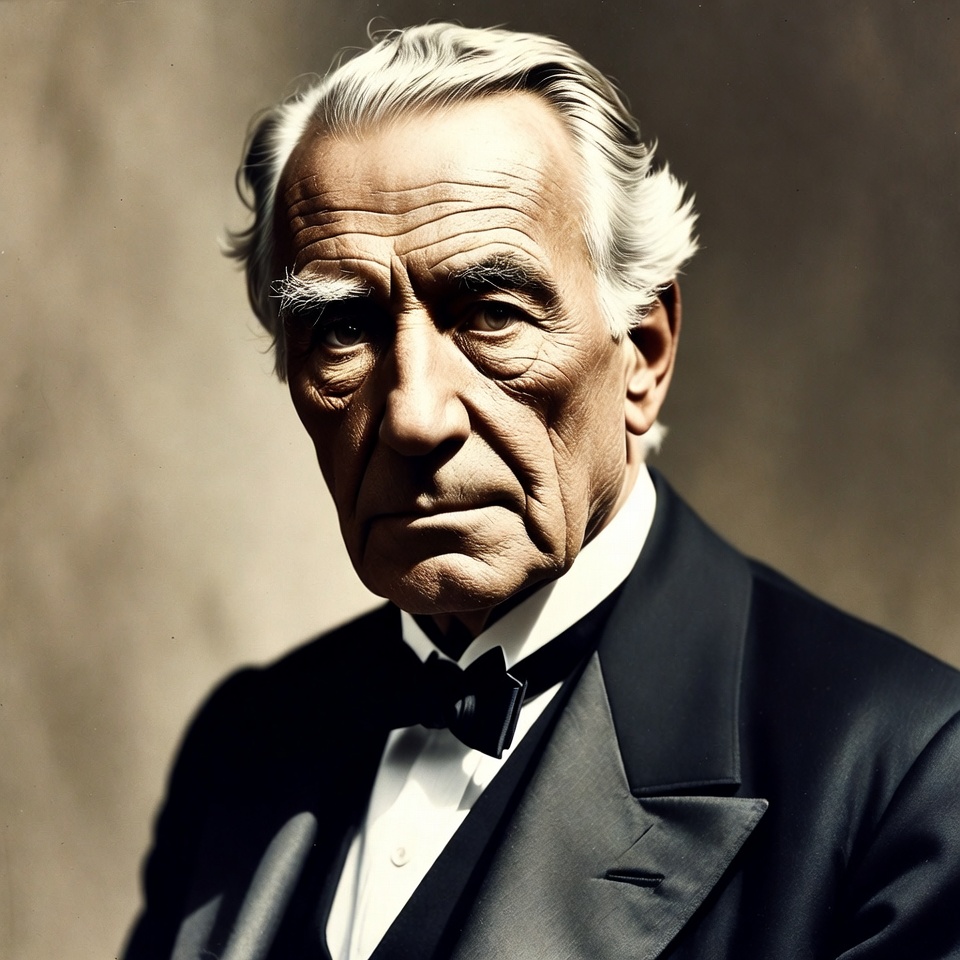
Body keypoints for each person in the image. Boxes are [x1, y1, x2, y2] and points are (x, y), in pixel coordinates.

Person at [123, 23, 960, 960]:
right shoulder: (242, 746)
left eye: (492, 314)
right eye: (344, 330)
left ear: (643, 354)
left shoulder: (907, 778)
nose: (414, 415)